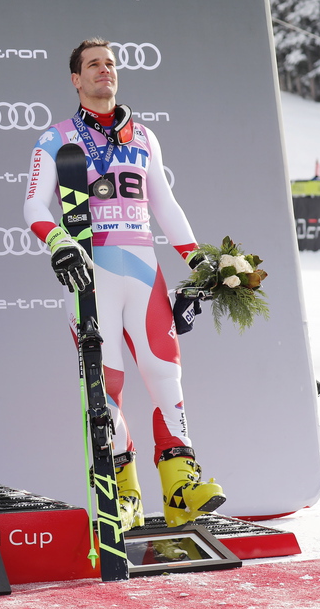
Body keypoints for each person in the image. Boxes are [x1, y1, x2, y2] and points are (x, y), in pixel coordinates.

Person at [22, 38, 226, 528]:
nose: (104, 71)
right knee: (106, 387)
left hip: (144, 270)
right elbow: (32, 206)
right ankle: (124, 493)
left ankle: (182, 487)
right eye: (93, 65)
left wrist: (197, 259)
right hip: (93, 275)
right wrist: (59, 243)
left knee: (165, 376)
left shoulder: (145, 137)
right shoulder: (56, 138)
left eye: (110, 64)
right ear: (76, 79)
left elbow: (166, 205)